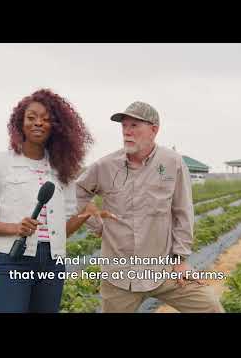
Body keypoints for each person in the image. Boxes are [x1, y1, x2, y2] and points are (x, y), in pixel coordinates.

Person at [0, 88, 113, 313]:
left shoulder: (61, 170)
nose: (38, 123)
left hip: (52, 262)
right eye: (32, 117)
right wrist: (16, 228)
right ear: (20, 122)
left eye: (46, 120)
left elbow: (62, 228)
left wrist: (86, 214)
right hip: (15, 259)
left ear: (56, 128)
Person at [75, 101, 224, 313]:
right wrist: (97, 225)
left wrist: (179, 260)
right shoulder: (105, 166)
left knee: (210, 307)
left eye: (134, 126)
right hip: (119, 276)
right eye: (124, 126)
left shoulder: (172, 163)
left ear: (154, 129)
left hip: (163, 270)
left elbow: (183, 212)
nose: (127, 132)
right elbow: (76, 194)